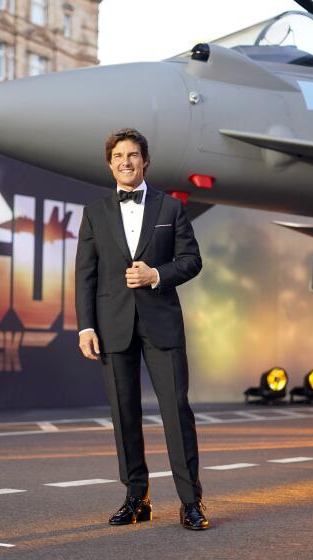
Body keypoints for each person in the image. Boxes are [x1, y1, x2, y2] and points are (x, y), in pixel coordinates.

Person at [75, 128, 208, 530]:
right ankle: (137, 498)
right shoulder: (95, 212)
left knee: (176, 412)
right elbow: (85, 275)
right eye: (118, 156)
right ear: (110, 163)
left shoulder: (170, 208)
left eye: (132, 155)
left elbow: (192, 260)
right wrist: (85, 328)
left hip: (161, 324)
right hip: (113, 327)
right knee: (124, 415)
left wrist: (156, 275)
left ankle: (191, 502)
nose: (125, 162)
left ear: (144, 161)